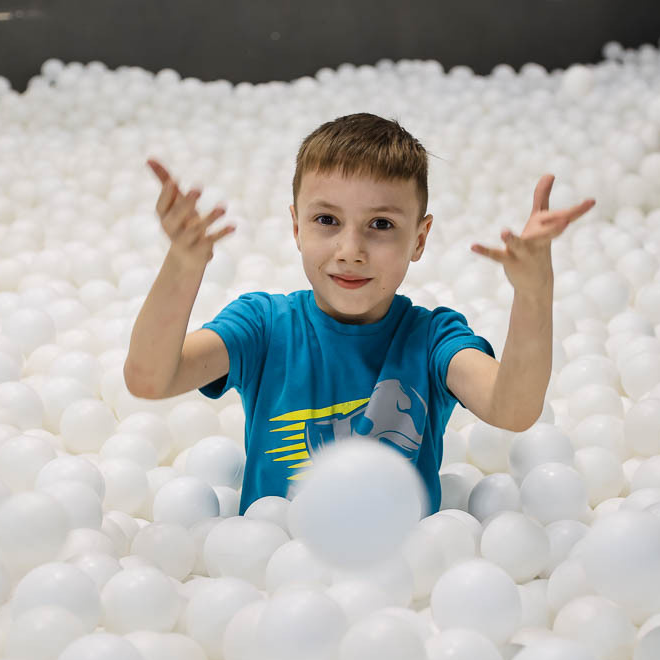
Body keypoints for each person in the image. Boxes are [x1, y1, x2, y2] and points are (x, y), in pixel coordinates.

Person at [123, 112, 594, 515]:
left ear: (420, 239)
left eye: (381, 225)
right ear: (296, 226)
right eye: (327, 220)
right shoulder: (264, 326)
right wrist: (183, 267)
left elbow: (513, 409)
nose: (351, 250)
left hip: (397, 584)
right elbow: (149, 379)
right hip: (277, 570)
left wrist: (534, 292)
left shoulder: (432, 339)